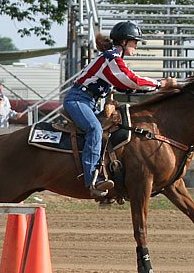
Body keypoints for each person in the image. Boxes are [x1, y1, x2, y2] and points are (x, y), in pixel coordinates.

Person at [64, 21, 178, 199]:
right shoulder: (111, 58)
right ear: (123, 42)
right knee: (95, 129)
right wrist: (162, 83)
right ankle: (93, 179)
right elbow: (131, 81)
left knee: (109, 131)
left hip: (88, 102)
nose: (136, 45)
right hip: (78, 100)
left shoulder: (113, 59)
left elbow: (126, 88)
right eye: (134, 41)